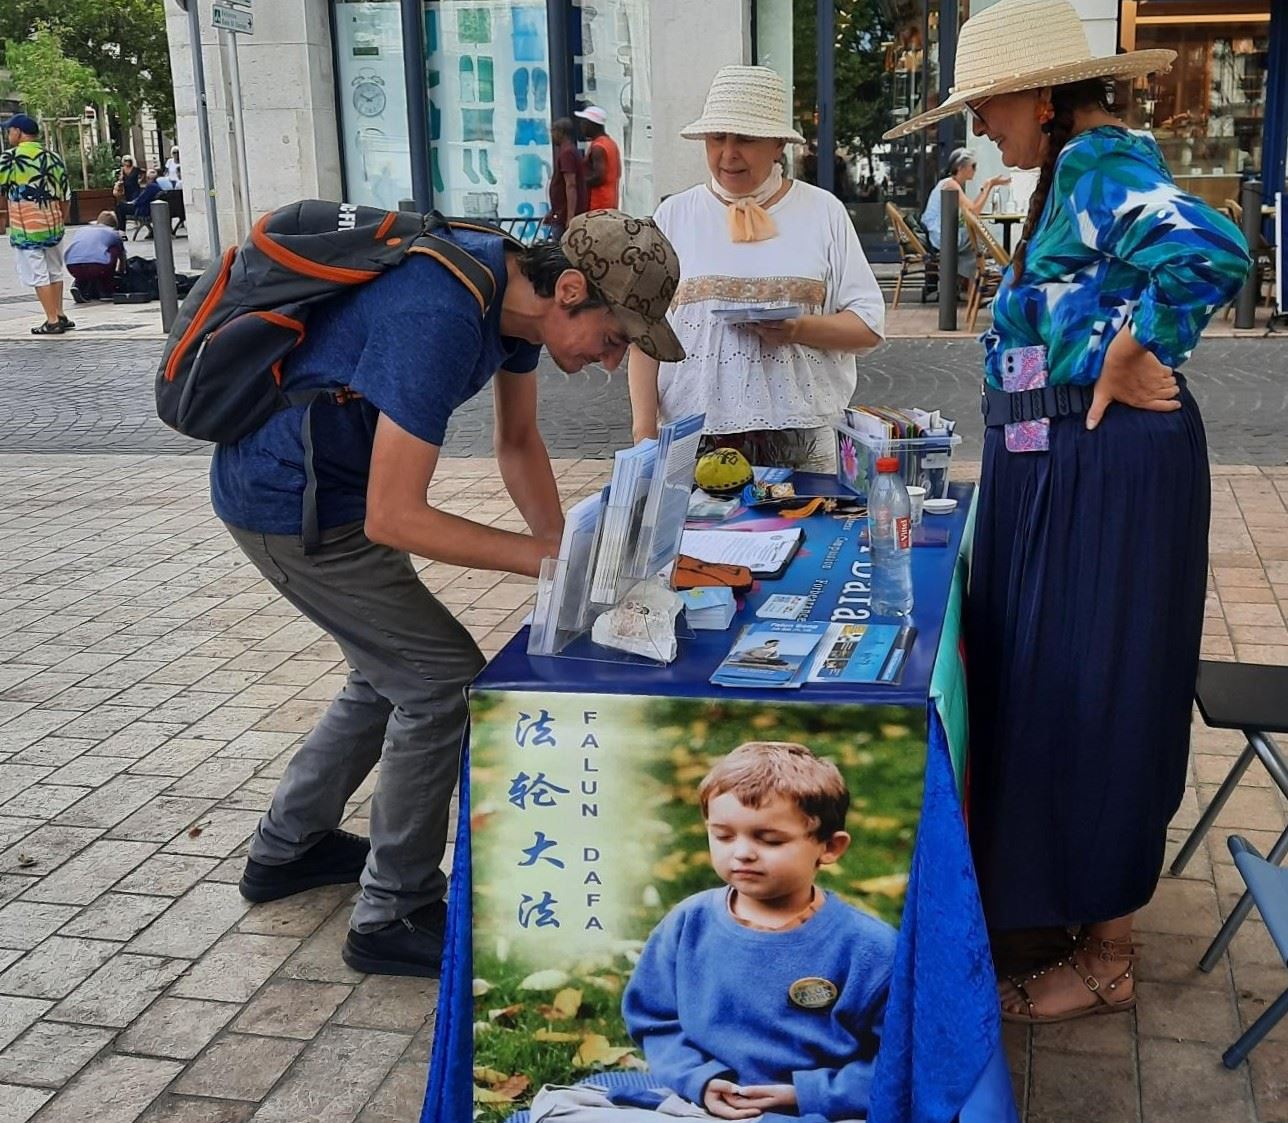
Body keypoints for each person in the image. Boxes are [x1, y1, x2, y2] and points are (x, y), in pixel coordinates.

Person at [884, 0, 1251, 1024]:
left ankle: (1109, 951)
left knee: (1093, 684)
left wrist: (1141, 351)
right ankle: (1055, 899)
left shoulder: (1100, 162)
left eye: (988, 104)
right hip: (1061, 465)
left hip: (1107, 469)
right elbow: (1039, 339)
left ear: (1042, 97)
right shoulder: (1062, 177)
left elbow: (1211, 251)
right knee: (1045, 676)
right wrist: (1016, 462)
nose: (979, 127)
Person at [221, 211, 684, 978]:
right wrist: (539, 556)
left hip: (331, 489)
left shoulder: (513, 303)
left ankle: (287, 848)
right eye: (613, 339)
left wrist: (566, 555)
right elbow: (395, 515)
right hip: (288, 501)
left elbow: (517, 442)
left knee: (388, 668)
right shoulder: (439, 311)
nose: (612, 363)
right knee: (439, 681)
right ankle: (392, 910)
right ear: (568, 289)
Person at [617, 741, 895, 1120]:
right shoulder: (688, 923)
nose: (742, 852)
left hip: (822, 1110)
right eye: (724, 836)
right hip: (701, 1104)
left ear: (829, 847)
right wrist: (699, 1080)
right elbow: (655, 1020)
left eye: (769, 840)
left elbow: (900, 1060)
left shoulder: (870, 949)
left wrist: (808, 1094)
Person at [627, 66, 884, 473]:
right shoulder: (675, 214)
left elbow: (868, 328)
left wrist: (798, 330)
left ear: (778, 144)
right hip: (693, 438)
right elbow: (645, 333)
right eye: (717, 139)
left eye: (745, 139)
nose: (728, 154)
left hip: (804, 440)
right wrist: (644, 435)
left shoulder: (822, 212)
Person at [0, 114, 73, 336]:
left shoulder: (10, 158)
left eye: (9, 130)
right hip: (53, 223)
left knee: (37, 273)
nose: (7, 134)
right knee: (54, 270)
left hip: (27, 226)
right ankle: (60, 314)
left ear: (18, 132)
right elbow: (66, 194)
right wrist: (62, 218)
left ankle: (51, 321)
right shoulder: (53, 157)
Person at [920, 148, 1010, 283]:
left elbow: (971, 210)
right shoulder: (950, 184)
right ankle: (986, 273)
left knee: (975, 237)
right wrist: (988, 185)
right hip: (941, 236)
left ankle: (978, 276)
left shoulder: (951, 183)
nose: (975, 169)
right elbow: (974, 211)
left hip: (942, 233)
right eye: (973, 166)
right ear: (961, 167)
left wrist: (986, 187)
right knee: (976, 237)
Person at [65, 211, 126, 301]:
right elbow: (122, 255)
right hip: (97, 266)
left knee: (86, 256)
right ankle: (106, 291)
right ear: (114, 225)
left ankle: (79, 285)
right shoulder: (113, 233)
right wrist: (122, 271)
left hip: (72, 265)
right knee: (114, 248)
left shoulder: (82, 230)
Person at [545, 117, 588, 241]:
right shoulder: (568, 151)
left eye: (553, 131)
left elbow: (571, 185)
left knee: (561, 251)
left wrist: (570, 216)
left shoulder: (567, 153)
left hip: (564, 217)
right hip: (560, 213)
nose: (551, 135)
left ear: (560, 132)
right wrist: (553, 211)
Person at [576, 105, 621, 211]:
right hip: (610, 202)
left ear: (592, 124)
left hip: (598, 204)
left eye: (584, 122)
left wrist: (578, 183)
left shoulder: (598, 147)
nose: (581, 126)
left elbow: (599, 177)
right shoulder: (610, 143)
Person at [113, 155, 142, 230]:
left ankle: (137, 221)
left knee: (134, 202)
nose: (127, 162)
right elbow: (120, 178)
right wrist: (121, 178)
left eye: (128, 160)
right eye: (125, 160)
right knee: (127, 202)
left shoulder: (135, 169)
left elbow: (142, 173)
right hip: (126, 189)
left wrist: (140, 180)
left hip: (135, 188)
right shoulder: (122, 169)